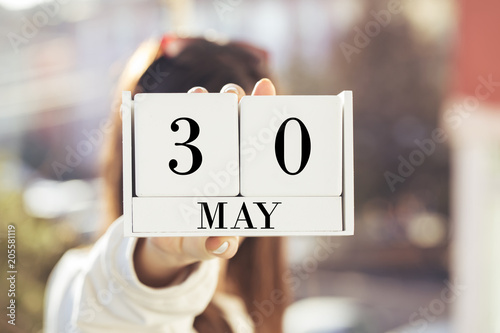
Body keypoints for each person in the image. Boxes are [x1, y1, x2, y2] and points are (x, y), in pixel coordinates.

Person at [44, 35, 290, 333]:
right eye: (191, 157)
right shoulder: (81, 284)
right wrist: (157, 262)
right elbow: (116, 316)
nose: (221, 180)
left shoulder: (244, 305)